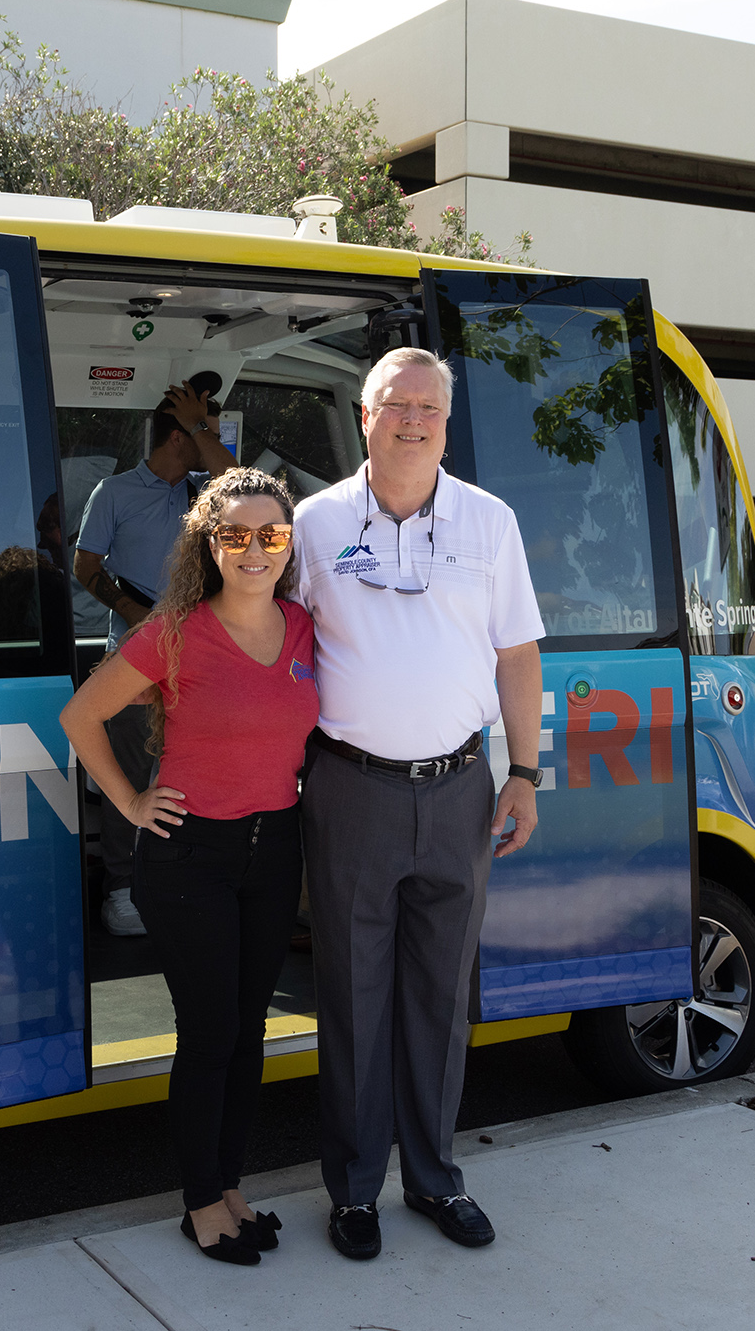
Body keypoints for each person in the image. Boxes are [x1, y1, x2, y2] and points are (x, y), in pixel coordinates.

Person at [291, 346, 545, 1260]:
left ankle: (435, 1180)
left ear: (447, 419)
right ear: (363, 415)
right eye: (395, 405)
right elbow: (272, 641)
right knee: (352, 996)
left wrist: (525, 772)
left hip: (460, 790)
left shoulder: (491, 522)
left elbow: (517, 653)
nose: (412, 420)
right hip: (348, 789)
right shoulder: (311, 525)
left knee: (441, 997)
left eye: (428, 408)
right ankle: (355, 1193)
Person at [61, 468, 319, 1266]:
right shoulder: (174, 632)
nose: (254, 550)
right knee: (209, 1034)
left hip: (274, 850)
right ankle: (201, 1202)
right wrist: (133, 804)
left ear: (287, 544)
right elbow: (80, 715)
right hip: (189, 859)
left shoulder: (304, 626)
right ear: (208, 543)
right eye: (234, 534)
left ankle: (230, 1185)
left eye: (270, 535)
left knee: (248, 1034)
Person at [73, 376, 236, 935]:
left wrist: (203, 429)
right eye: (200, 431)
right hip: (136, 659)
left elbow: (236, 483)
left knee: (198, 775)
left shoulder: (207, 492)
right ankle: (122, 887)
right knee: (134, 774)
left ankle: (188, 879)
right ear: (175, 438)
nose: (211, 438)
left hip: (206, 662)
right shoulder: (114, 492)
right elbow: (85, 565)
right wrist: (127, 607)